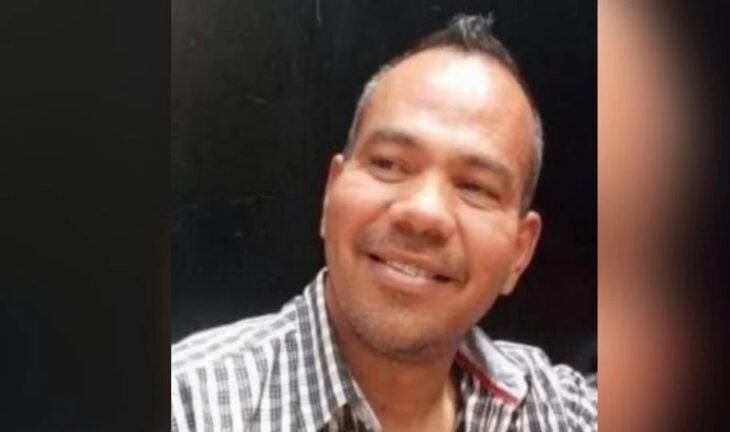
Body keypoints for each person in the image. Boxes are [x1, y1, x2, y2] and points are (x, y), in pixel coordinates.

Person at [172, 14, 597, 432]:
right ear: (330, 194)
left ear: (520, 254)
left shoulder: (560, 410)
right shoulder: (187, 406)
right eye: (389, 164)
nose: (423, 212)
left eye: (475, 187)